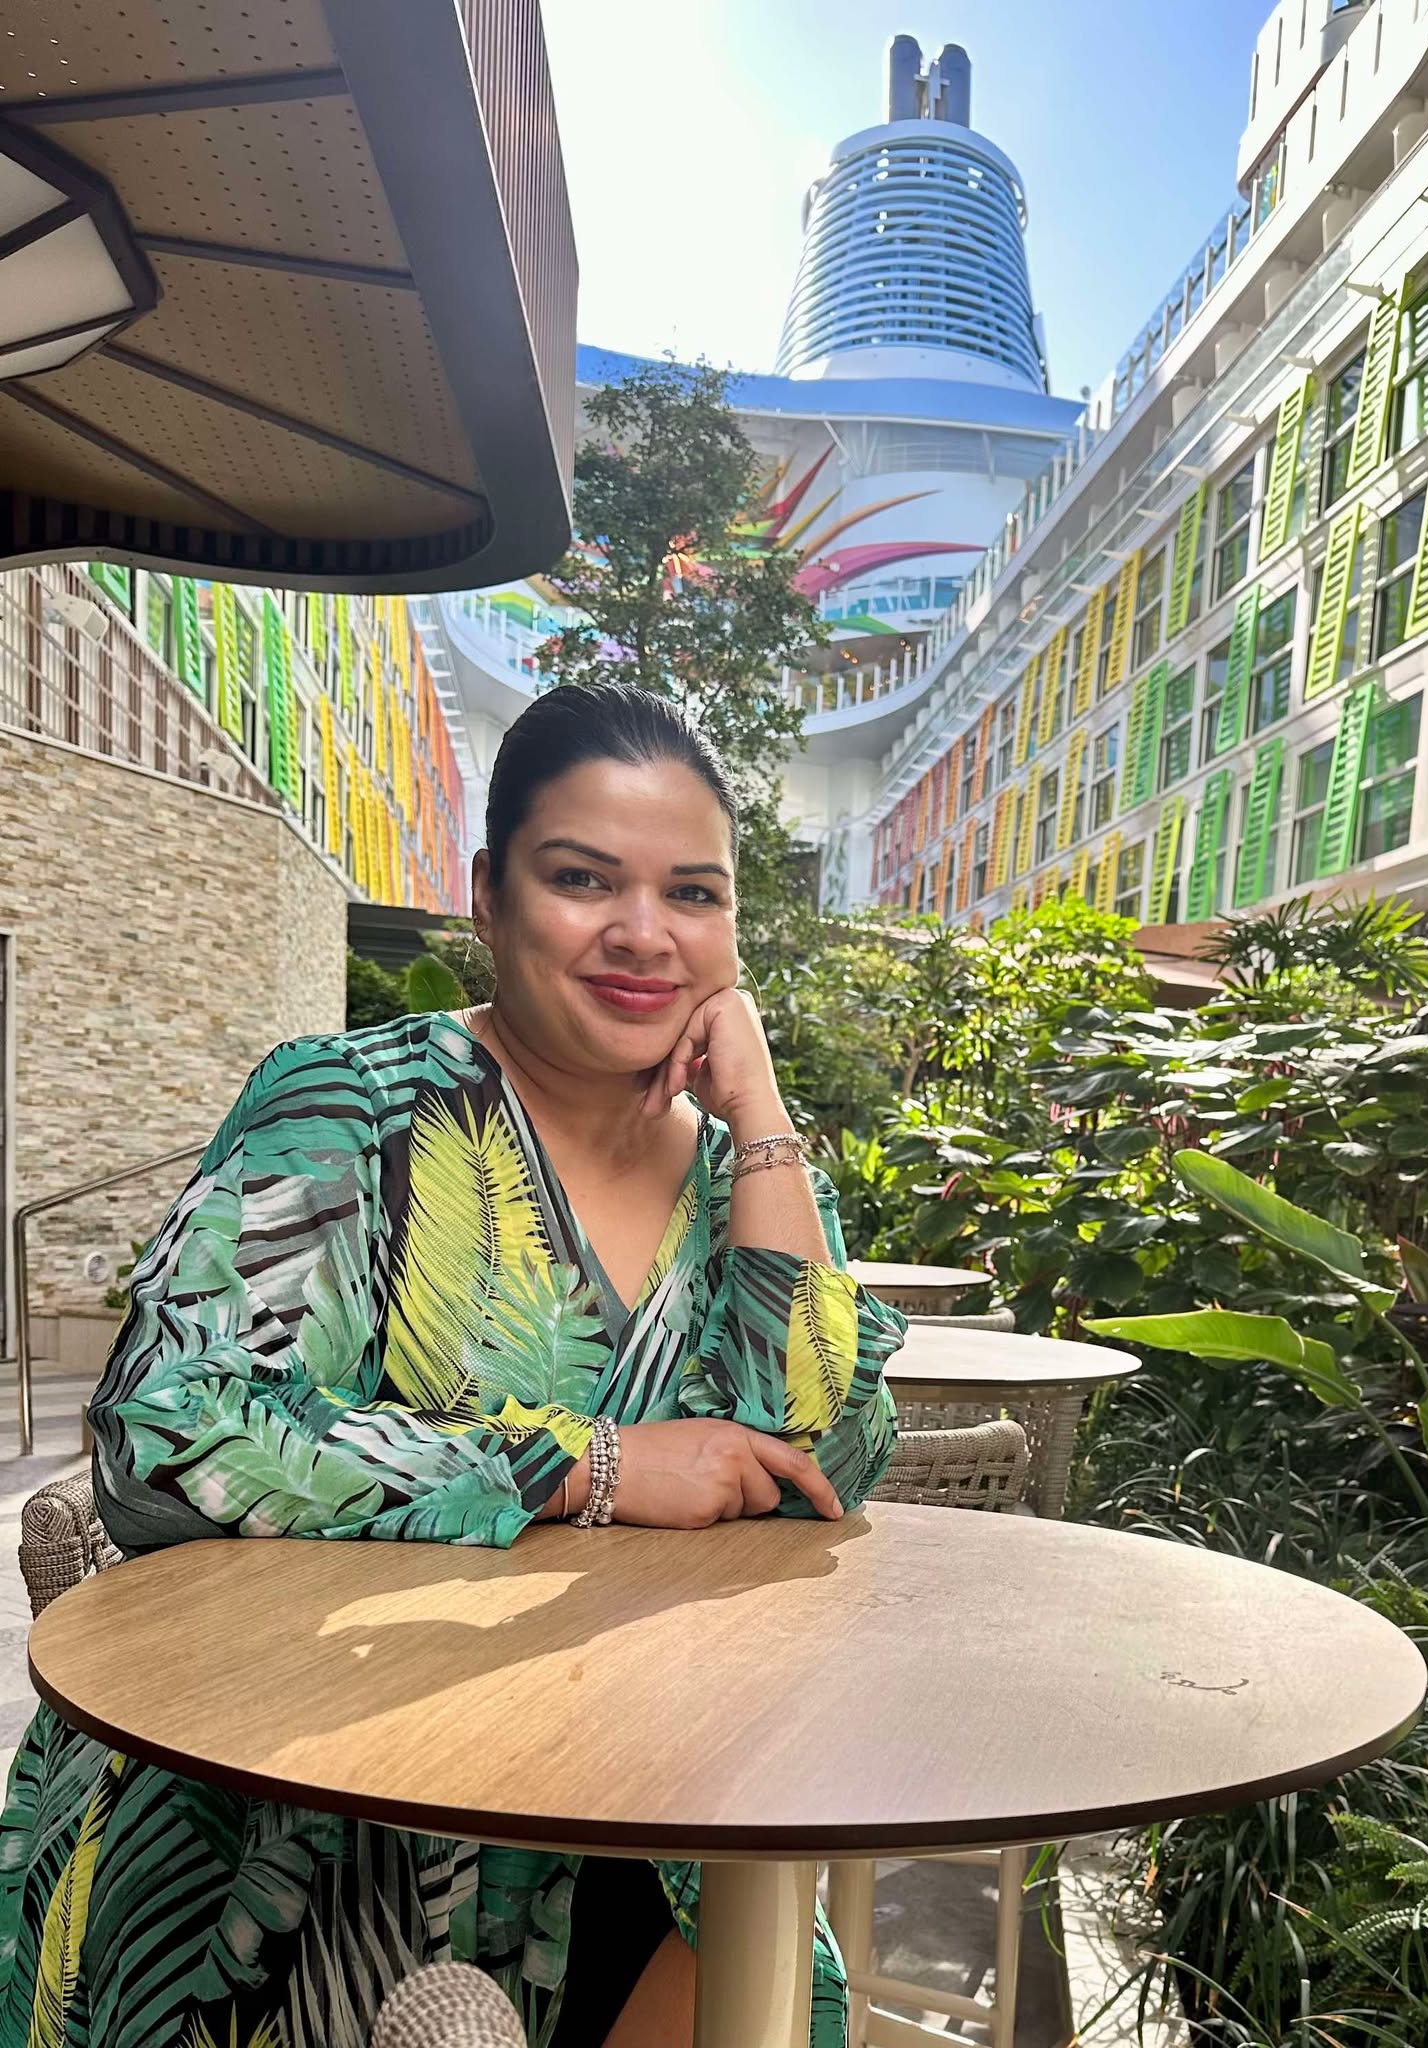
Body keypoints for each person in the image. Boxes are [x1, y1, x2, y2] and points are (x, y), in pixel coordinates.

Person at [0, 682, 906, 2048]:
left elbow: (817, 1463)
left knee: (770, 1980)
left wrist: (764, 1115)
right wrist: (587, 1466)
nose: (643, 932)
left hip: (660, 1810)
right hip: (312, 1831)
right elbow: (169, 1434)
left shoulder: (747, 1180)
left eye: (693, 894)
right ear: (488, 897)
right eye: (581, 878)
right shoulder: (350, 1111)